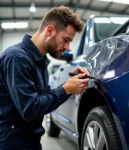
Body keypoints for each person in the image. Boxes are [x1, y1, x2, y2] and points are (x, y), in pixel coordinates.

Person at [0, 6, 90, 150]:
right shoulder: (17, 58)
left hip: (30, 140)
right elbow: (30, 109)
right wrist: (66, 89)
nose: (67, 47)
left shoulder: (40, 60)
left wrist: (69, 84)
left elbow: (43, 99)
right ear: (50, 31)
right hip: (13, 143)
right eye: (66, 40)